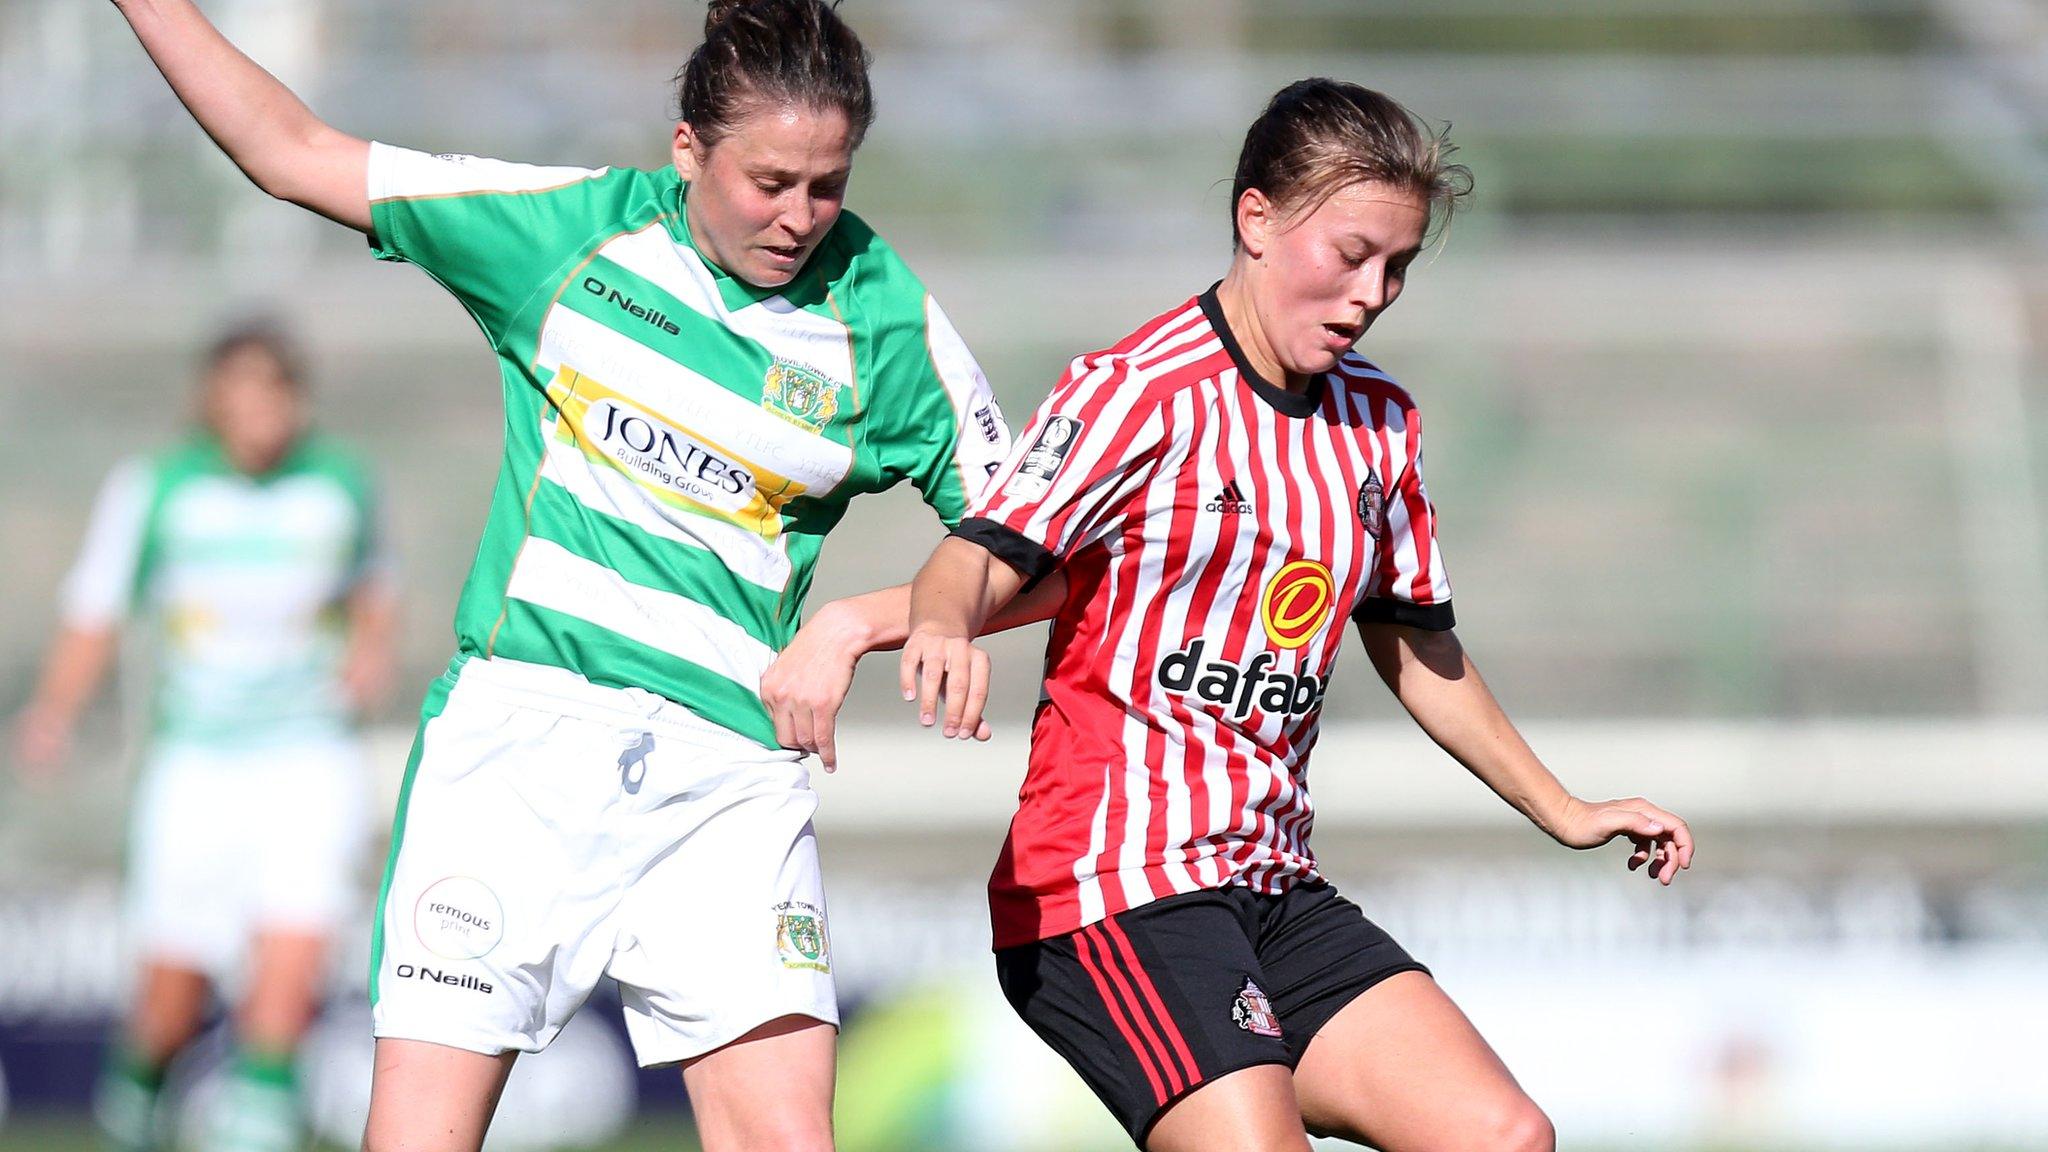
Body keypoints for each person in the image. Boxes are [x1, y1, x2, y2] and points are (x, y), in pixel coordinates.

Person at [104, 1, 1061, 1149]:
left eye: (827, 183)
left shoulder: (883, 313)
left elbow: (1045, 552)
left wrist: (858, 621)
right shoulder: (568, 237)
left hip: (728, 777)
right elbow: (290, 150)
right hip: (519, 752)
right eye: (767, 181)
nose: (800, 217)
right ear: (686, 150)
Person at [896, 80, 1696, 1152]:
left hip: (1269, 884)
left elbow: (1415, 645)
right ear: (1256, 218)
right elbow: (977, 554)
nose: (1370, 292)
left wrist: (1564, 809)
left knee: (1501, 1136)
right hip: (1113, 889)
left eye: (1397, 267)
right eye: (1350, 253)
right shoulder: (1138, 390)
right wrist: (938, 624)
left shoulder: (1378, 422)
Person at [13, 322, 396, 1152]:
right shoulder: (158, 488)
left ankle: (256, 1124)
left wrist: (370, 656)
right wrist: (51, 714)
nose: (259, 408)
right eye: (241, 390)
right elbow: (97, 612)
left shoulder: (340, 485)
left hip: (306, 757)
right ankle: (140, 1106)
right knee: (168, 1002)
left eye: (274, 389)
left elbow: (375, 588)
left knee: (287, 982)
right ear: (213, 400)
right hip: (197, 765)